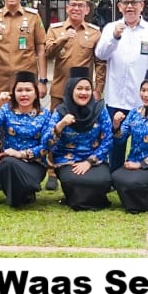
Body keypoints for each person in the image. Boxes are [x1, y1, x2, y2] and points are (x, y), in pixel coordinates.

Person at [95, 0, 148, 170]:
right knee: (115, 144)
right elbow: (100, 54)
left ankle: (140, 176)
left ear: (142, 5)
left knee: (144, 143)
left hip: (143, 100)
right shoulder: (111, 28)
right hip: (116, 99)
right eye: (126, 3)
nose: (130, 7)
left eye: (134, 3)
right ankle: (114, 175)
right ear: (119, 6)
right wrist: (114, 37)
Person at [45, 67, 114, 211]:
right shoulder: (60, 111)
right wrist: (61, 125)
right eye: (79, 88)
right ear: (71, 89)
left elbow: (108, 140)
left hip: (94, 159)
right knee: (73, 180)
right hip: (67, 160)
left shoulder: (99, 109)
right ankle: (76, 199)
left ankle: (84, 199)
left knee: (103, 180)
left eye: (87, 89)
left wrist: (89, 162)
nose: (83, 93)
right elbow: (46, 143)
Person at [109, 70, 148, 214]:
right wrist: (116, 126)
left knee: (133, 182)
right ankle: (137, 203)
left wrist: (141, 164)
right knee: (116, 177)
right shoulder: (135, 113)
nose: (145, 94)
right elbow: (121, 139)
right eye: (143, 90)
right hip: (133, 162)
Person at [0, 71, 50, 208]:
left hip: (34, 163)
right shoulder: (6, 110)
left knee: (10, 164)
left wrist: (21, 154)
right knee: (7, 164)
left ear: (36, 93)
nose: (24, 94)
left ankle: (28, 189)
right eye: (19, 90)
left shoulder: (44, 115)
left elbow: (46, 146)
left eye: (28, 90)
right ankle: (20, 195)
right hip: (8, 161)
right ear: (13, 93)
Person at [46, 0, 105, 112]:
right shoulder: (55, 30)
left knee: (83, 123)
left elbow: (100, 63)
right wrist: (62, 39)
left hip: (84, 92)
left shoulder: (94, 32)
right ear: (67, 8)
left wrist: (98, 89)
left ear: (87, 10)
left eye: (80, 6)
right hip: (60, 91)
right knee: (57, 122)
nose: (76, 9)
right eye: (73, 5)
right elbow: (48, 54)